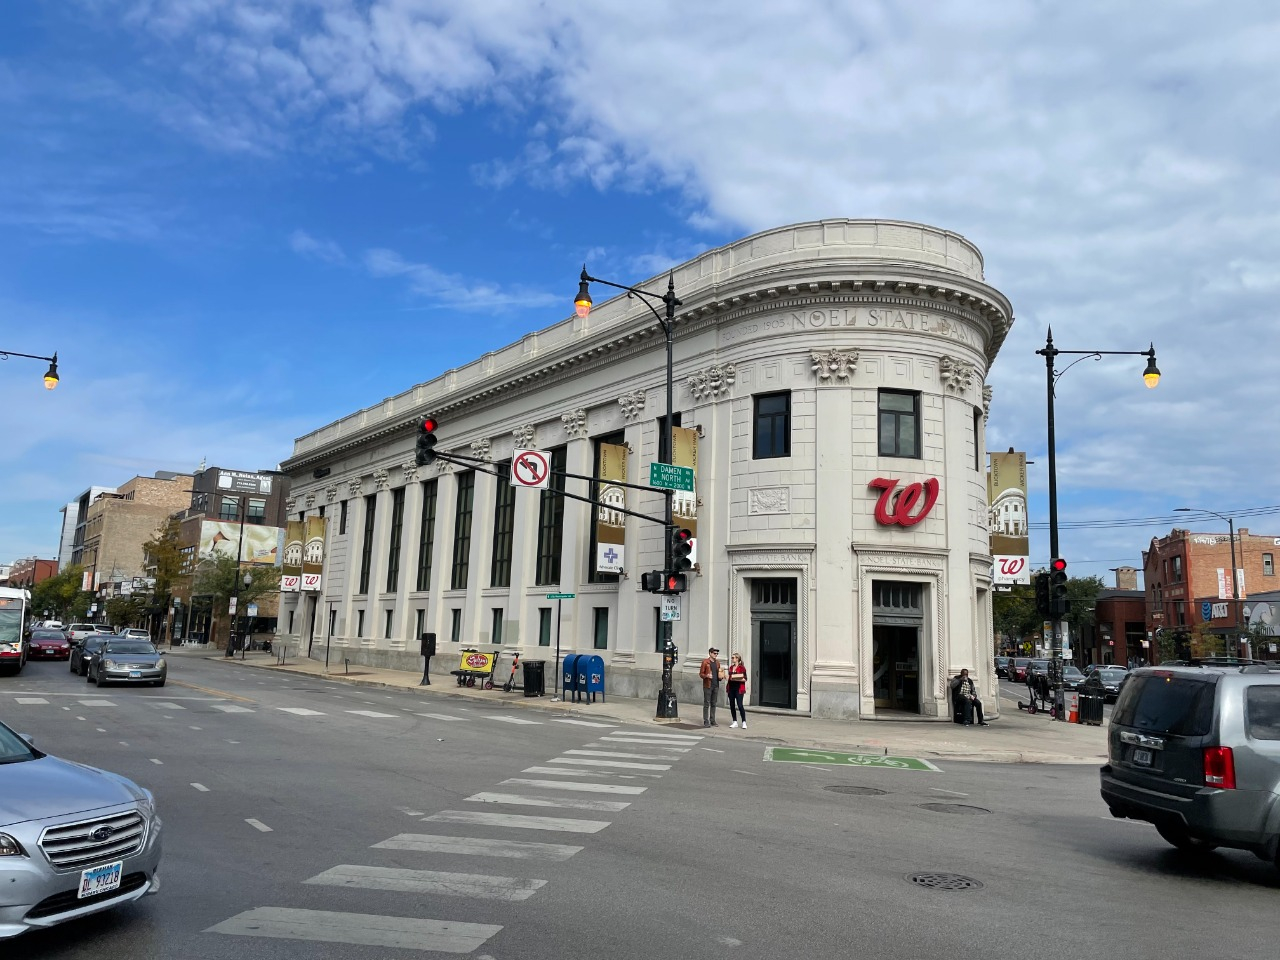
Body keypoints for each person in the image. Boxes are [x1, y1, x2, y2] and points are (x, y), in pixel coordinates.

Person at [699, 646, 726, 727]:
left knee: (714, 703)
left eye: (717, 654)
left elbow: (718, 673)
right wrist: (707, 676)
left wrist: (720, 677)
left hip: (716, 685)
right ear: (710, 653)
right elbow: (701, 674)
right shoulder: (705, 662)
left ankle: (712, 720)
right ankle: (706, 720)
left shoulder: (717, 662)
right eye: (714, 653)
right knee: (707, 703)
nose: (716, 655)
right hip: (708, 685)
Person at [726, 652, 747, 729]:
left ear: (737, 659)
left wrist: (736, 678)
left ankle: (744, 722)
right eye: (732, 657)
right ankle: (734, 721)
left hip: (739, 689)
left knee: (740, 705)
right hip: (731, 688)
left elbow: (745, 679)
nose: (732, 659)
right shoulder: (731, 668)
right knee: (732, 705)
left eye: (733, 657)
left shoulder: (742, 668)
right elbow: (729, 677)